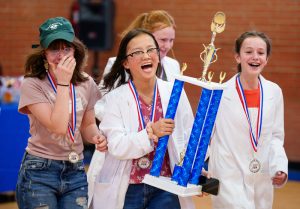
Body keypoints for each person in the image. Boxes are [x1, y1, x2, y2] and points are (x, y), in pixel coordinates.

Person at [88, 28, 195, 209]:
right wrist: (151, 133)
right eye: (137, 52)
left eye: (150, 50)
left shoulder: (174, 93)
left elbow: (188, 137)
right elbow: (117, 146)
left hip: (166, 186)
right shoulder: (115, 99)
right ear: (126, 63)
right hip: (129, 188)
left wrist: (196, 170)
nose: (146, 56)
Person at [16, 17, 107, 209]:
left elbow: (88, 125)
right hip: (40, 170)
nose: (61, 55)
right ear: (44, 53)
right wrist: (63, 83)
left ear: (75, 50)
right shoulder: (32, 84)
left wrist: (97, 137)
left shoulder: (86, 82)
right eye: (54, 49)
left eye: (66, 48)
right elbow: (57, 127)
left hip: (75, 170)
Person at [208, 31, 288, 209]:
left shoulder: (274, 92)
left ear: (267, 58)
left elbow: (275, 136)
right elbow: (205, 135)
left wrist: (280, 166)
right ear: (238, 56)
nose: (255, 57)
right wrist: (198, 171)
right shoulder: (218, 92)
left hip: (261, 176)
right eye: (248, 52)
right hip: (226, 177)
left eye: (261, 52)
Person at [94, 10, 179, 121]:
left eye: (171, 40)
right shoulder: (119, 63)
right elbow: (101, 106)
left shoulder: (173, 65)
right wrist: (118, 127)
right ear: (146, 37)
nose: (167, 46)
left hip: (163, 134)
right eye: (163, 40)